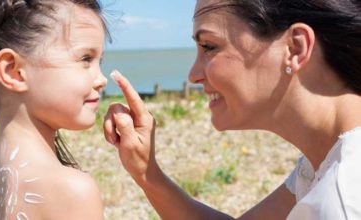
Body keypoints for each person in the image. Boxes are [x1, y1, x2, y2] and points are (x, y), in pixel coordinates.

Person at [104, 0, 361, 219]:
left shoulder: (341, 200)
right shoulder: (328, 160)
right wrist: (147, 172)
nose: (193, 75)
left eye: (209, 47)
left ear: (295, 48)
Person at [0, 0, 110, 219]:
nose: (102, 80)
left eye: (99, 61)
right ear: (12, 71)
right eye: (86, 59)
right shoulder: (73, 189)